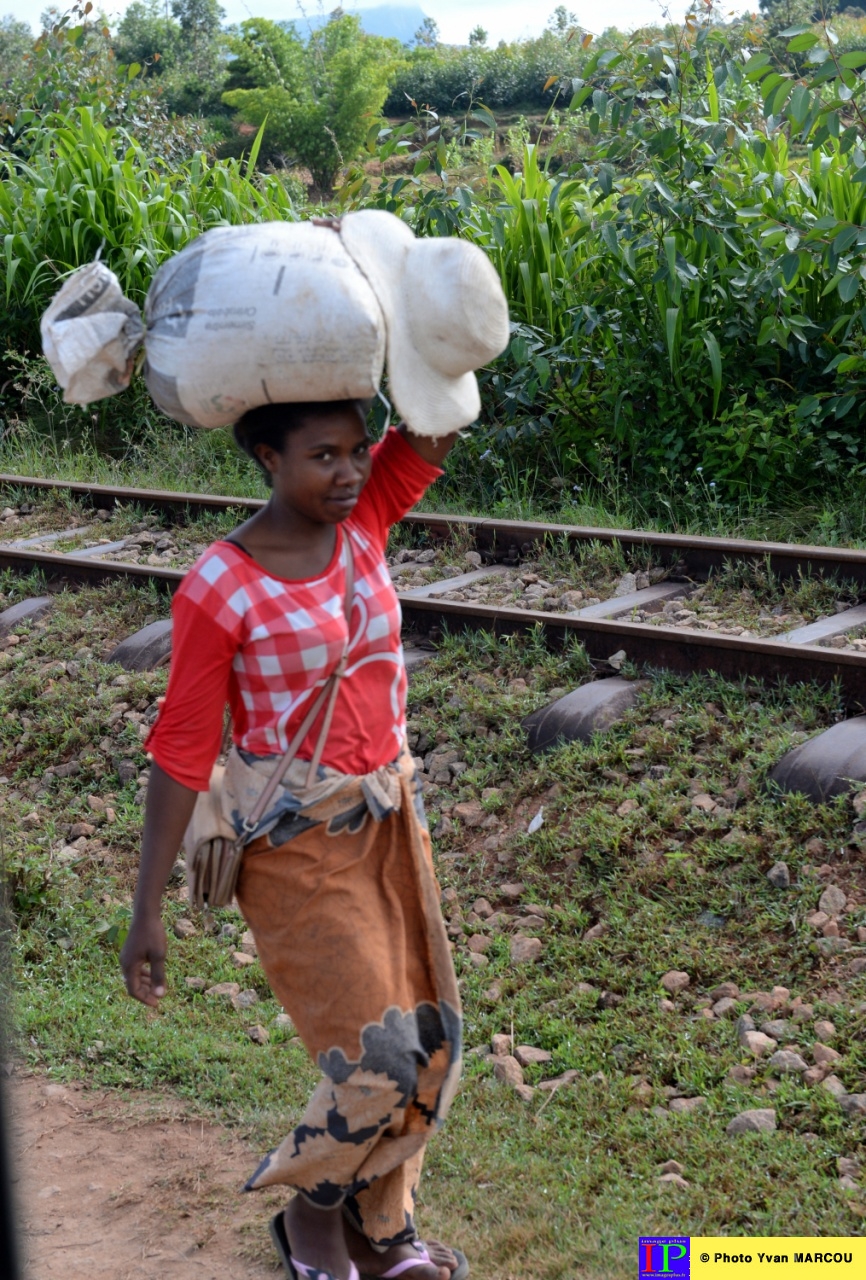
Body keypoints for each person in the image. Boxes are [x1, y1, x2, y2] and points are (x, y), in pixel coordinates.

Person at [120, 400, 466, 1280]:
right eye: (322, 456)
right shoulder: (220, 585)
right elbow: (183, 745)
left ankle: (385, 1237)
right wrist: (146, 908)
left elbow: (436, 419)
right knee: (378, 1053)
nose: (349, 473)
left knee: (430, 1038)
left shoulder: (366, 519)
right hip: (295, 847)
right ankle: (310, 1221)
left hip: (389, 819)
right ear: (268, 457)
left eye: (356, 450)